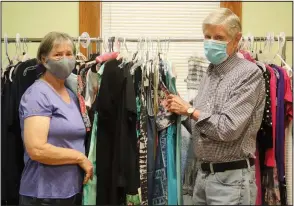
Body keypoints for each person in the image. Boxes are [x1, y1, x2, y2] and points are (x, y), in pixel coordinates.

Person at [167, 8, 265, 205]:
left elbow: (228, 129)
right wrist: (179, 110)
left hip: (231, 180)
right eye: (207, 36)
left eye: (219, 37)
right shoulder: (210, 73)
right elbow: (201, 128)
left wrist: (189, 110)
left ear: (236, 40)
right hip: (203, 176)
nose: (211, 42)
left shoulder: (249, 74)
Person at [18, 32, 93, 205]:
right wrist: (80, 158)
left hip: (71, 191)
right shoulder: (37, 94)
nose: (65, 59)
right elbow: (37, 149)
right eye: (58, 55)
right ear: (44, 60)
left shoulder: (72, 94)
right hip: (44, 194)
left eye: (69, 54)